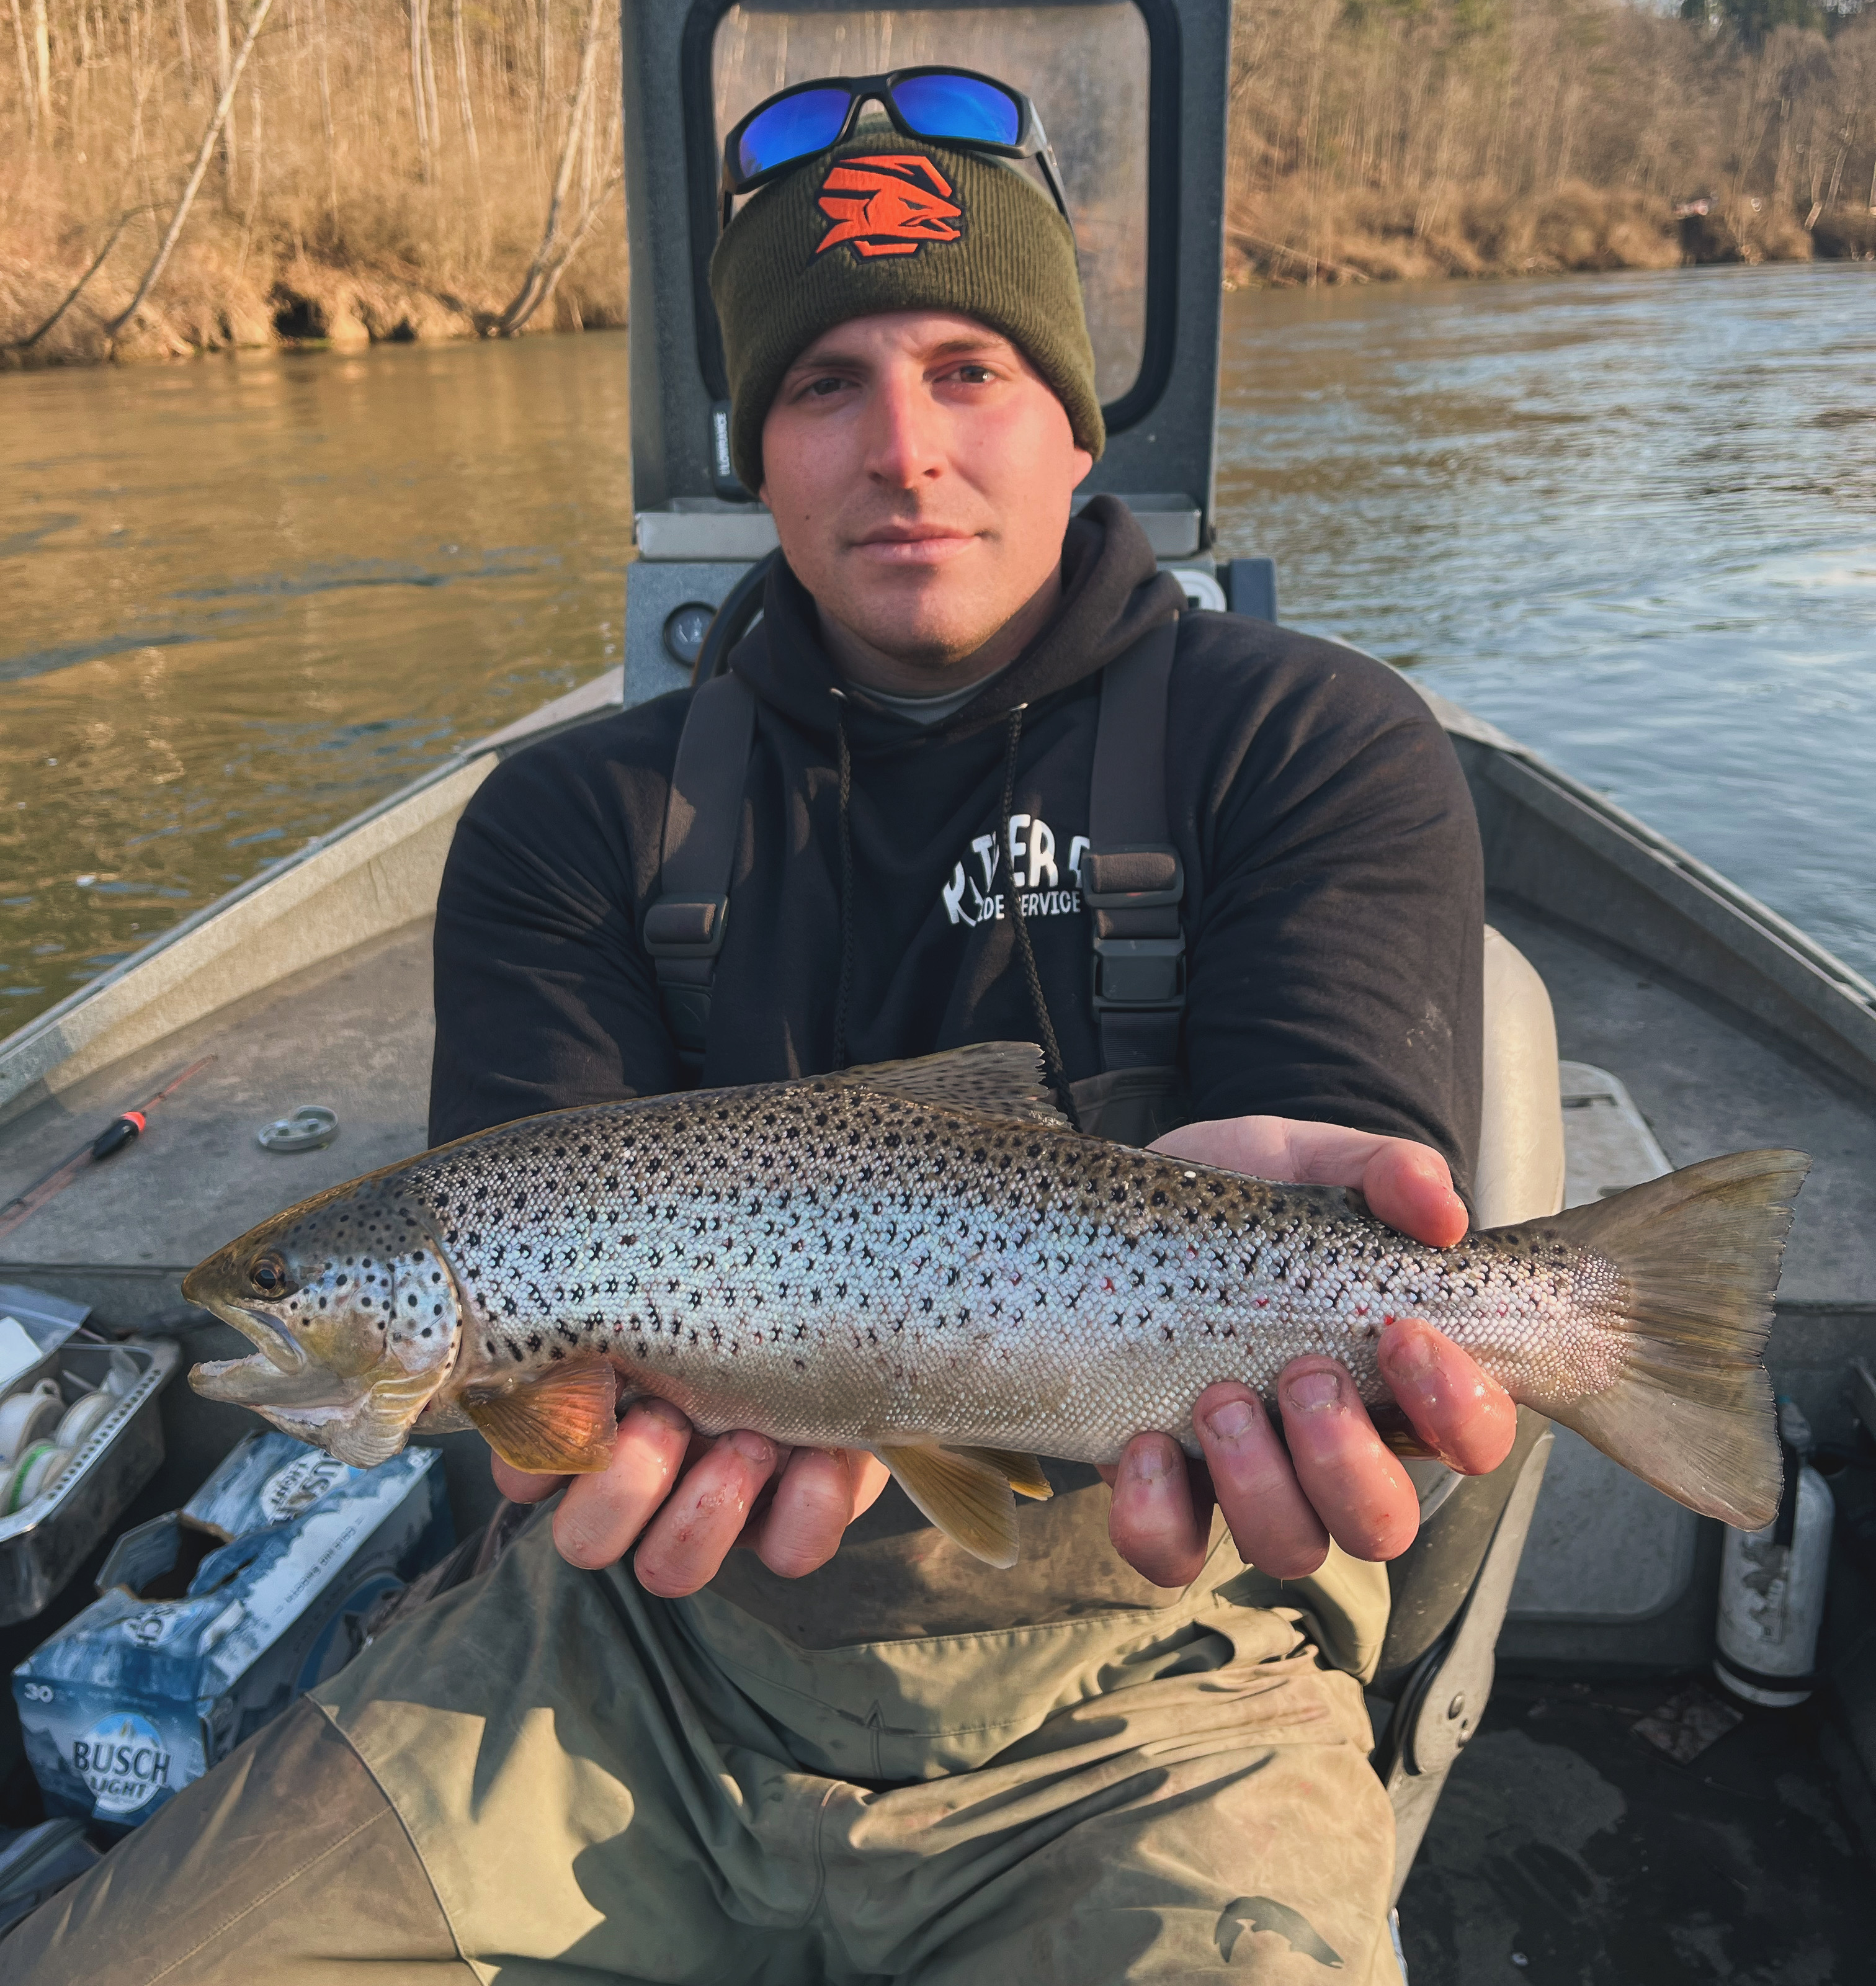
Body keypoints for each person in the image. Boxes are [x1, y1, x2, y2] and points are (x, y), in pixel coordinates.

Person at [17, 97, 1514, 1984]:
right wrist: (549, 1447)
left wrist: (1364, 1280)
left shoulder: (1312, 739)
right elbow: (562, 1432)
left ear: (1074, 422)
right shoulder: (571, 820)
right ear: (757, 457)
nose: (903, 448)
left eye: (969, 368)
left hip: (1162, 1672)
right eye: (823, 385)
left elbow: (1332, 1136)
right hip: (639, 1651)